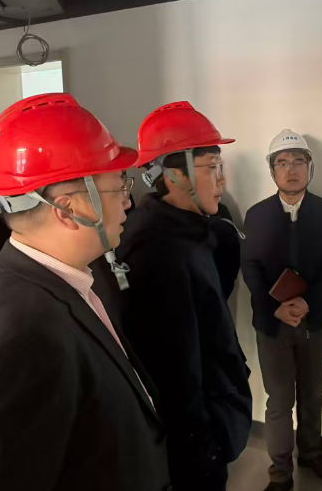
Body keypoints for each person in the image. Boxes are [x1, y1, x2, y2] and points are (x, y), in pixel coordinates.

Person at [0, 94, 170, 491]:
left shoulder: (60, 281)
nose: (128, 201)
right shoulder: (21, 335)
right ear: (68, 210)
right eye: (119, 186)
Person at [118, 101, 252, 491]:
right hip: (192, 441)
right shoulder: (158, 250)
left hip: (209, 420)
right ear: (174, 175)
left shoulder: (193, 231)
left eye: (220, 167)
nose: (222, 181)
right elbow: (175, 368)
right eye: (211, 168)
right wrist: (201, 445)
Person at [243, 129, 322, 491]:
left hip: (314, 321)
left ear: (310, 167)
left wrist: (308, 302)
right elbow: (250, 268)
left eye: (298, 162)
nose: (291, 170)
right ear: (272, 170)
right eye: (283, 163)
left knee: (312, 394)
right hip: (272, 325)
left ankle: (312, 453)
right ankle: (280, 473)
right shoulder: (256, 215)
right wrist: (274, 307)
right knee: (279, 401)